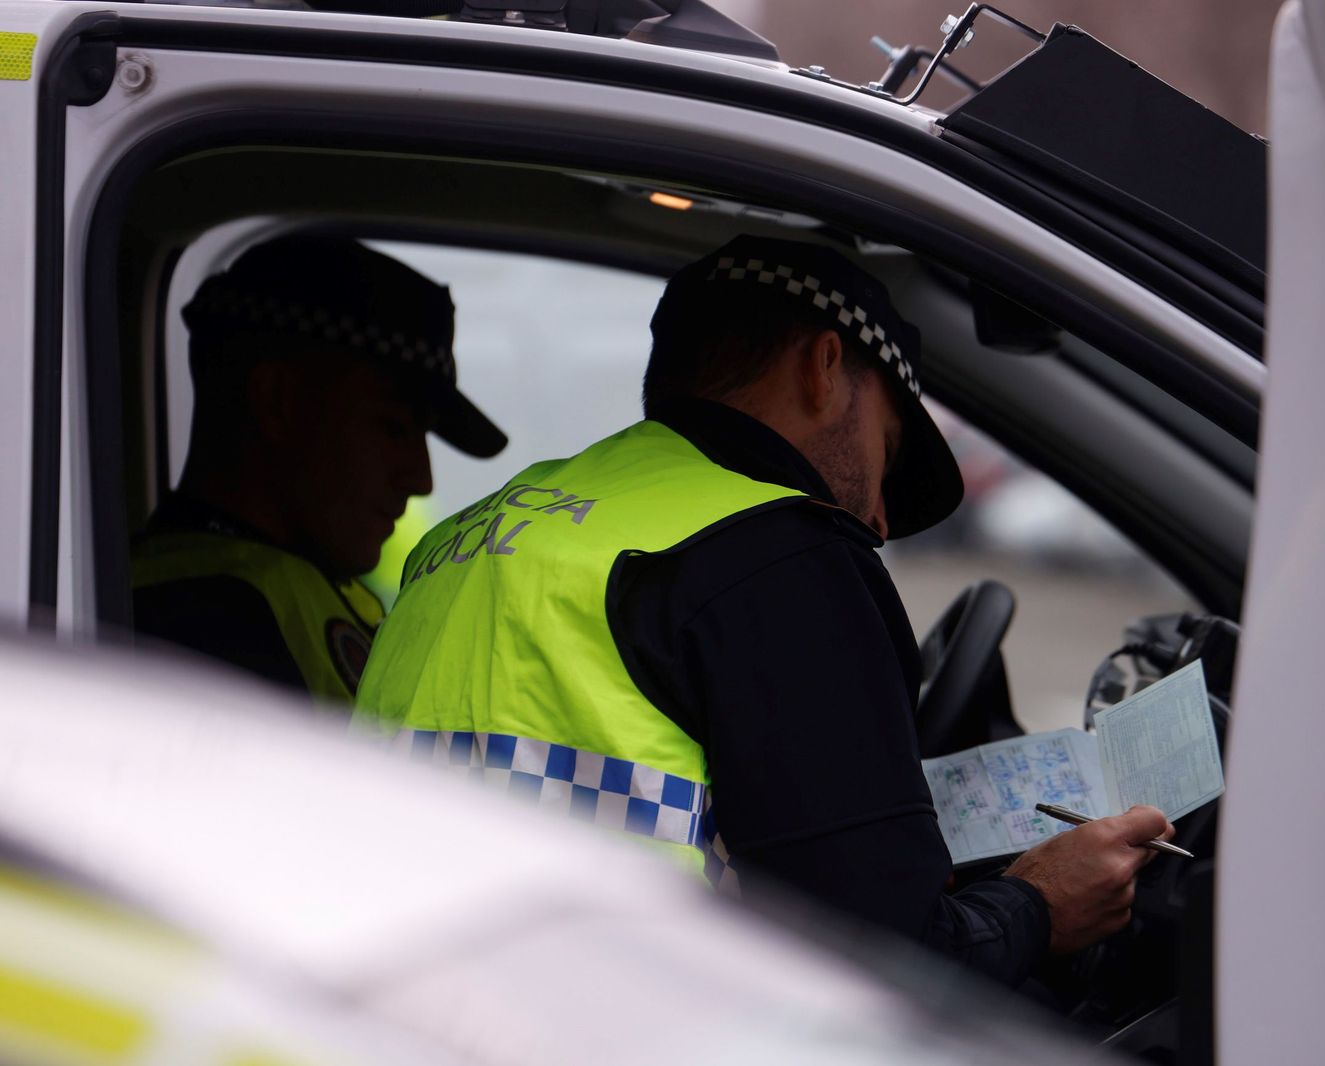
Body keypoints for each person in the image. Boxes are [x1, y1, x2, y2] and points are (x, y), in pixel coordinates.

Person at [356, 235, 1171, 986]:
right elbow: (878, 968)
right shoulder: (777, 553)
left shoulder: (476, 533)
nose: (880, 522)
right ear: (824, 366)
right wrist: (1038, 906)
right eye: (887, 453)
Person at [131, 235, 507, 704]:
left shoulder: (284, 592)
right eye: (393, 427)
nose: (421, 479)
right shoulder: (208, 625)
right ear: (278, 402)